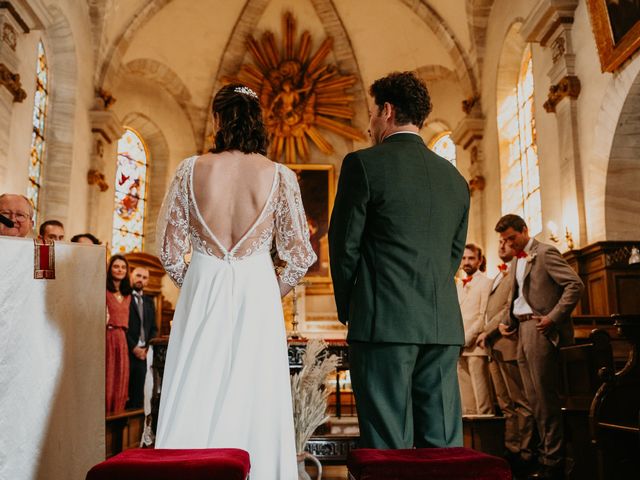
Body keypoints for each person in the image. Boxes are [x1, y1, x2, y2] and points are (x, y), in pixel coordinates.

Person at [155, 83, 316, 479]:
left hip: (202, 284)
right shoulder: (279, 175)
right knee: (255, 392)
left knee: (195, 383)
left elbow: (169, 251)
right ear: (257, 121)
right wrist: (264, 289)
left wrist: (196, 284)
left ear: (218, 120)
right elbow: (299, 258)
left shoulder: (191, 170)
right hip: (257, 291)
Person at [328, 71, 470, 449]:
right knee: (442, 446)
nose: (370, 124)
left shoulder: (363, 165)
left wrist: (351, 309)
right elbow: (453, 254)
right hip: (440, 327)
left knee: (389, 446)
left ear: (387, 111)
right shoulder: (455, 179)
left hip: (382, 325)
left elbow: (344, 249)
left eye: (373, 114)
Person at [496, 214, 584, 480]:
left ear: (525, 230)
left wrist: (553, 318)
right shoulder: (515, 262)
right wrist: (505, 321)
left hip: (540, 329)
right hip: (520, 330)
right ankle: (542, 454)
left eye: (512, 238)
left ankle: (553, 460)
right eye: (504, 240)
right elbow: (517, 297)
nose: (509, 244)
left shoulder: (544, 252)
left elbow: (575, 285)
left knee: (545, 399)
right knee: (532, 400)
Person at [477, 238, 534, 472]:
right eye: (499, 241)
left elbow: (506, 308)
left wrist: (486, 331)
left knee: (520, 401)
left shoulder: (518, 271)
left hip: (508, 341)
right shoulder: (498, 275)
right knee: (505, 403)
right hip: (494, 345)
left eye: (507, 242)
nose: (501, 246)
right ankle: (511, 449)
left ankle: (527, 452)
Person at [457, 243, 494, 416]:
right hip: (458, 346)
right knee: (466, 399)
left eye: (471, 258)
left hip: (475, 345)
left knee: (482, 398)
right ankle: (470, 438)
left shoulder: (486, 283)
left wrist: (465, 339)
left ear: (480, 260)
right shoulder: (457, 285)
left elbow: (483, 315)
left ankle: (485, 436)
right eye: (464, 258)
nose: (467, 262)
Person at [126, 266, 157, 409]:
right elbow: (121, 327)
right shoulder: (124, 297)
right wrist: (133, 347)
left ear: (147, 281)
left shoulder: (150, 302)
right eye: (138, 275)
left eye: (144, 278)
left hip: (144, 354)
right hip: (127, 351)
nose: (140, 279)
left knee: (140, 393)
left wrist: (146, 349)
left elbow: (153, 328)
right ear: (131, 276)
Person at [105, 255, 132, 415]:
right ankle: (106, 415)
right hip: (107, 337)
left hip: (122, 339)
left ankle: (118, 414)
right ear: (110, 269)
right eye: (116, 266)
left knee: (121, 376)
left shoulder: (128, 295)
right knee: (108, 375)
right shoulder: (104, 290)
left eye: (123, 267)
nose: (120, 270)